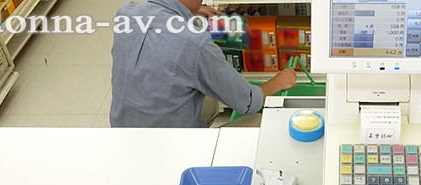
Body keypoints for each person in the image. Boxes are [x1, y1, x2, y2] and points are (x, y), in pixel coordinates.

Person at [110, 0, 297, 128]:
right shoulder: (196, 44)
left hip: (122, 130)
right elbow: (247, 102)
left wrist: (191, 9)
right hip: (173, 145)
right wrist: (279, 81)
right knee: (257, 120)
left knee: (204, 82)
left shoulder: (126, 14)